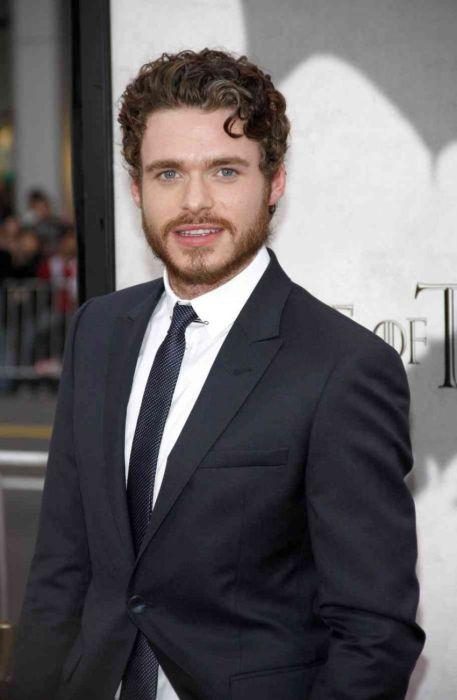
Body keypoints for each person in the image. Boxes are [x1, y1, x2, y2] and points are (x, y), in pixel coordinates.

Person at [10, 49, 425, 700]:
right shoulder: (98, 331)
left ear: (274, 182)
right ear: (137, 189)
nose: (194, 202)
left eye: (225, 171)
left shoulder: (342, 367)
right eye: (168, 173)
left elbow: (375, 633)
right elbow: (61, 566)